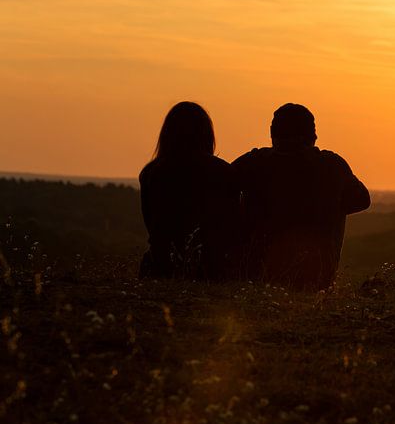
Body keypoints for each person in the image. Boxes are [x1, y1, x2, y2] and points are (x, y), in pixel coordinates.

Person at [233, 103, 370, 290]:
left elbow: (219, 186)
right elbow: (362, 200)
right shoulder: (331, 166)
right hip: (317, 277)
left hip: (258, 274)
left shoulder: (254, 163)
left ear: (272, 134)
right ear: (313, 136)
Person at [139, 102, 240, 280]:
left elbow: (151, 225)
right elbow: (231, 226)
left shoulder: (151, 173)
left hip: (158, 267)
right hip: (211, 270)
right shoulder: (222, 172)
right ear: (206, 133)